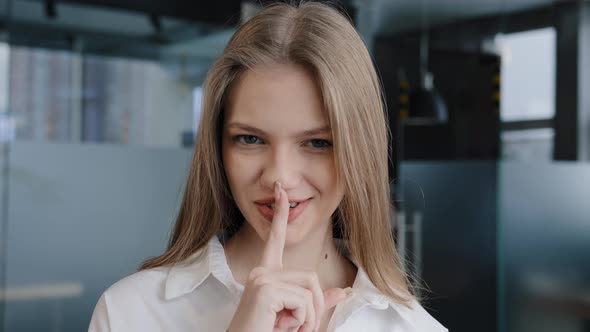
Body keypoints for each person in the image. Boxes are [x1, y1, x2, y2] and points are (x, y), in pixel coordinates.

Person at [88, 1, 447, 331]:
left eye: (318, 143)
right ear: (218, 148)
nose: (279, 176)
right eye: (250, 139)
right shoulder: (130, 313)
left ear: (358, 152)